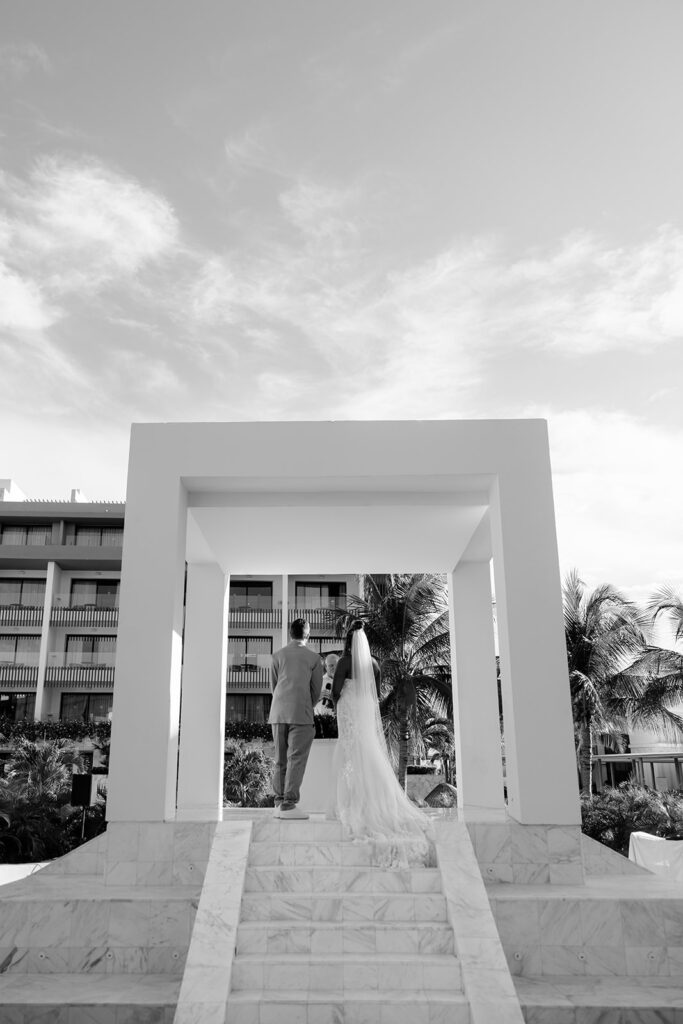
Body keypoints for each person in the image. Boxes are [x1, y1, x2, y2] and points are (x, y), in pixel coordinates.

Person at [330, 620, 433, 866]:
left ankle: (352, 802)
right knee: (368, 753)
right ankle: (373, 800)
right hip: (365, 710)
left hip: (348, 709)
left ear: (348, 641)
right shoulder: (374, 664)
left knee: (349, 754)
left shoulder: (344, 662)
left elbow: (334, 691)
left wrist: (337, 703)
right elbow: (376, 695)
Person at [269, 617, 323, 819]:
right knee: (296, 759)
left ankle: (278, 802)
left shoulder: (277, 655)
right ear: (307, 635)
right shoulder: (314, 658)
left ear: (290, 634)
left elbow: (273, 688)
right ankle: (289, 804)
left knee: (280, 759)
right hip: (301, 713)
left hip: (278, 713)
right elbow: (316, 691)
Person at [315, 652, 339, 716]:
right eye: (331, 665)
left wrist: (334, 699)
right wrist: (318, 698)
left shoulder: (345, 683)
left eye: (337, 665)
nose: (334, 668)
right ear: (326, 667)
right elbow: (306, 703)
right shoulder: (318, 681)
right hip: (320, 720)